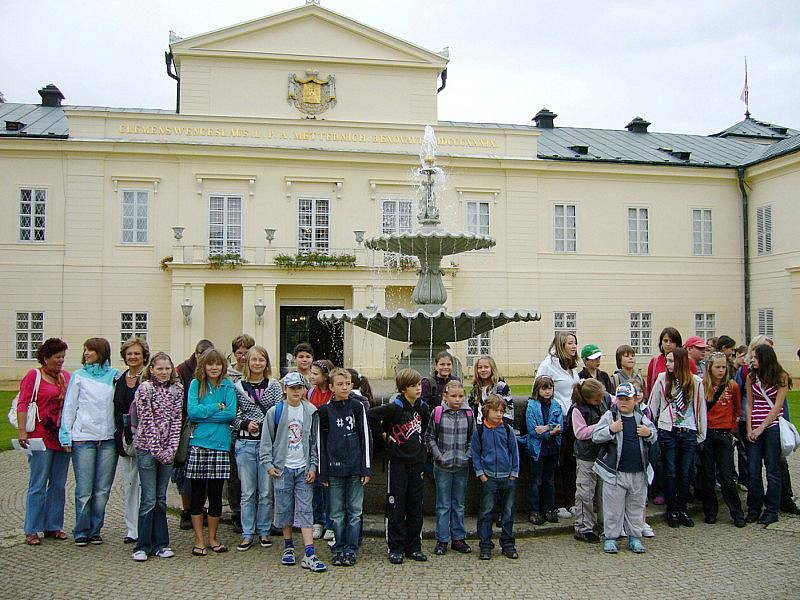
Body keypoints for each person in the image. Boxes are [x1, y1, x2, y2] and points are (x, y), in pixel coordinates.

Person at [260, 371, 326, 573]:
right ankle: (288, 546)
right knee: (284, 507)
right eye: (292, 388)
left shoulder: (311, 411)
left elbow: (314, 443)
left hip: (303, 468)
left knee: (306, 510)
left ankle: (309, 552)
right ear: (285, 390)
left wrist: (313, 466)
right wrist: (268, 463)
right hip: (282, 468)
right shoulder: (276, 412)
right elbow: (266, 441)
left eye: (300, 388)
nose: (297, 391)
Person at [59, 338, 121, 546]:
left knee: (102, 489)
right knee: (84, 489)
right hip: (84, 438)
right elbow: (70, 406)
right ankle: (81, 529)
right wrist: (66, 433)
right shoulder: (78, 376)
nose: (86, 354)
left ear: (101, 352)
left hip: (107, 439)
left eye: (91, 350)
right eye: (85, 350)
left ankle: (96, 529)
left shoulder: (114, 376)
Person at [368, 368, 430, 564]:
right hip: (398, 463)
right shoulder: (395, 407)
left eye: (419, 384)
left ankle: (414, 546)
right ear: (404, 389)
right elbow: (371, 415)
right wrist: (385, 436)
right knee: (396, 504)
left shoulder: (422, 407)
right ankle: (395, 546)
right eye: (413, 386)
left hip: (416, 462)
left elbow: (425, 427)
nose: (418, 388)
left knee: (415, 504)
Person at [17, 338, 71, 546]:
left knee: (58, 484)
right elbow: (24, 402)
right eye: (57, 357)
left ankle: (53, 526)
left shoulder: (66, 377)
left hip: (61, 437)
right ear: (46, 357)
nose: (61, 361)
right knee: (38, 484)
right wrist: (23, 431)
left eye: (63, 357)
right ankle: (31, 528)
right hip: (40, 437)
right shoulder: (35, 376)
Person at [592, 383, 657, 554]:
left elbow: (654, 435)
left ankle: (635, 537)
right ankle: (611, 537)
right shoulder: (610, 416)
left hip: (638, 472)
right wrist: (610, 430)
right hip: (615, 473)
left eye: (627, 399)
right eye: (620, 399)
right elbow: (596, 436)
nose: (623, 402)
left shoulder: (641, 417)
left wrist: (648, 433)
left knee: (636, 507)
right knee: (613, 508)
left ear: (635, 400)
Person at [131, 352, 183, 561]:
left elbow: (177, 419)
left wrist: (171, 449)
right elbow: (147, 421)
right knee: (149, 498)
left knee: (161, 499)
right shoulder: (145, 389)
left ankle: (162, 543)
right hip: (147, 448)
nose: (163, 372)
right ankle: (142, 545)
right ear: (151, 369)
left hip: (168, 450)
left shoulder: (177, 389)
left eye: (167, 368)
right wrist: (157, 450)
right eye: (159, 368)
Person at [318, 368, 372, 567]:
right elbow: (320, 442)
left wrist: (366, 468)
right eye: (339, 384)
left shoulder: (358, 407)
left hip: (355, 468)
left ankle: (351, 547)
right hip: (334, 469)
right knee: (337, 513)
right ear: (331, 387)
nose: (344, 387)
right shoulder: (324, 411)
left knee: (355, 511)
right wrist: (323, 471)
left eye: (347, 384)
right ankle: (338, 546)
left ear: (352, 385)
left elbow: (366, 437)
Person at [186, 348, 237, 556]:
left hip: (220, 445)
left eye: (217, 364)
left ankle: (213, 538)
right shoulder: (196, 384)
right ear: (204, 366)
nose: (214, 368)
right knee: (198, 494)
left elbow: (231, 414)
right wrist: (216, 406)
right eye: (210, 364)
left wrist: (204, 414)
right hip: (199, 444)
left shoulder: (228, 385)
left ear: (223, 366)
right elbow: (192, 412)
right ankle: (199, 540)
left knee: (216, 495)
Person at [648, 347, 706, 528]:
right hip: (668, 430)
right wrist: (651, 428)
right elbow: (652, 406)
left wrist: (701, 433)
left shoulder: (695, 382)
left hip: (687, 430)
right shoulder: (662, 379)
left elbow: (700, 408)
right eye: (667, 360)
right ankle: (672, 509)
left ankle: (683, 508)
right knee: (670, 471)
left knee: (685, 472)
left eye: (672, 361)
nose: (668, 364)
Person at [231, 346, 283, 551]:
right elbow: (232, 414)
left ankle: (264, 530)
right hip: (245, 443)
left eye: (261, 359)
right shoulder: (238, 387)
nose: (257, 363)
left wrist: (265, 424)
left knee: (266, 492)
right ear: (247, 362)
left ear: (266, 362)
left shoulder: (274, 386)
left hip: (266, 444)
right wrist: (244, 424)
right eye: (254, 359)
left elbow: (279, 411)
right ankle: (247, 532)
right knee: (247, 492)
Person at [425, 379, 473, 556]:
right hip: (442, 466)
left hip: (461, 465)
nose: (457, 399)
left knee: (459, 504)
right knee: (443, 504)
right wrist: (439, 455)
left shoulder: (468, 414)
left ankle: (458, 538)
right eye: (453, 396)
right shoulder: (438, 413)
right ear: (445, 396)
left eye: (461, 396)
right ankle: (442, 539)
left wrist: (467, 456)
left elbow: (472, 439)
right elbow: (429, 437)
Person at [536, 332, 580, 518]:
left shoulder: (570, 366)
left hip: (571, 421)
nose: (573, 346)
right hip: (557, 421)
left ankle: (571, 501)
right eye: (570, 343)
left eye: (575, 343)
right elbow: (538, 388)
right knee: (556, 464)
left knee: (570, 463)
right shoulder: (548, 364)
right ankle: (558, 502)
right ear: (560, 345)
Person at [745, 344, 790, 526]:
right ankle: (755, 508)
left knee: (772, 470)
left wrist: (761, 427)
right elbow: (750, 403)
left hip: (771, 427)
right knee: (753, 470)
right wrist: (749, 428)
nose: (752, 361)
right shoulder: (751, 377)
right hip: (755, 425)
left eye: (755, 358)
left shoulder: (781, 377)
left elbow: (778, 406)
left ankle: (772, 510)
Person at [700, 353, 745, 527]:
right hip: (708, 432)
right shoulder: (703, 386)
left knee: (726, 475)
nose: (720, 370)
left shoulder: (732, 386)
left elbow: (737, 410)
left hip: (724, 433)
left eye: (723, 367)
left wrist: (732, 430)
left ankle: (737, 512)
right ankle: (710, 511)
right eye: (717, 367)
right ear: (710, 368)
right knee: (708, 474)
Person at [472, 394, 520, 560]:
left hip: (507, 476)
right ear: (486, 411)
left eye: (501, 411)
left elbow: (514, 452)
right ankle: (485, 545)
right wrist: (481, 474)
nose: (499, 414)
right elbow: (476, 453)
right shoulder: (480, 431)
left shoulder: (507, 429)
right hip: (489, 477)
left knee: (508, 513)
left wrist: (514, 473)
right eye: (495, 411)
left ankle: (507, 543)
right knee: (486, 512)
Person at [174, 339, 214, 530]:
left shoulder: (214, 373)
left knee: (204, 473)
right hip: (185, 426)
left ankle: (200, 508)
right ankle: (186, 510)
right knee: (183, 471)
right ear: (196, 354)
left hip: (206, 428)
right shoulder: (182, 370)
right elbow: (183, 403)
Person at [113, 337, 149, 545]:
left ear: (144, 355)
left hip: (146, 440)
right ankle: (132, 528)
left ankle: (145, 525)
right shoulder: (119, 379)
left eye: (137, 353)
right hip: (126, 439)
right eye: (129, 354)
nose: (133, 357)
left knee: (146, 485)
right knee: (129, 484)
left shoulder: (149, 378)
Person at [565, 378, 607, 541]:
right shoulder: (578, 410)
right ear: (587, 398)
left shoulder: (604, 400)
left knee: (605, 493)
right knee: (585, 492)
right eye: (597, 399)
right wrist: (603, 425)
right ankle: (583, 526)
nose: (600, 401)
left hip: (603, 454)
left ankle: (605, 524)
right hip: (586, 455)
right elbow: (580, 433)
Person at [523, 376, 563, 525]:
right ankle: (534, 510)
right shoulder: (532, 406)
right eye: (544, 388)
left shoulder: (556, 405)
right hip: (537, 450)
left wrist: (546, 429)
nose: (547, 391)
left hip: (552, 449)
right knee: (535, 481)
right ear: (537, 390)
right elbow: (533, 430)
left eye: (549, 388)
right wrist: (549, 431)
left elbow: (559, 426)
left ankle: (549, 509)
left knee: (549, 481)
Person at [226, 334, 255, 533]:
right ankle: (237, 512)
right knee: (235, 476)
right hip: (233, 431)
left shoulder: (256, 372)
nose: (243, 357)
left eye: (246, 353)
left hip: (253, 433)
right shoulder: (229, 374)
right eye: (239, 353)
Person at [308, 358, 335, 540]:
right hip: (314, 443)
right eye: (311, 372)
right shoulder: (310, 393)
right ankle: (317, 521)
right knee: (317, 485)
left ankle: (331, 523)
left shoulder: (333, 395)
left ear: (325, 377)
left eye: (315, 373)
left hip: (330, 443)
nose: (311, 376)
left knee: (331, 487)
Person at [645, 327, 698, 397]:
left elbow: (694, 385)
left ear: (677, 343)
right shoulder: (655, 361)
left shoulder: (688, 361)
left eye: (672, 341)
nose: (668, 344)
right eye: (665, 341)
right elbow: (649, 387)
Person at [468, 355, 513, 426]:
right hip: (478, 426)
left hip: (497, 427)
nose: (483, 370)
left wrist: (504, 430)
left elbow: (508, 411)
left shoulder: (501, 387)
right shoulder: (475, 388)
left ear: (492, 368)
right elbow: (471, 409)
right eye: (480, 367)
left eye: (486, 367)